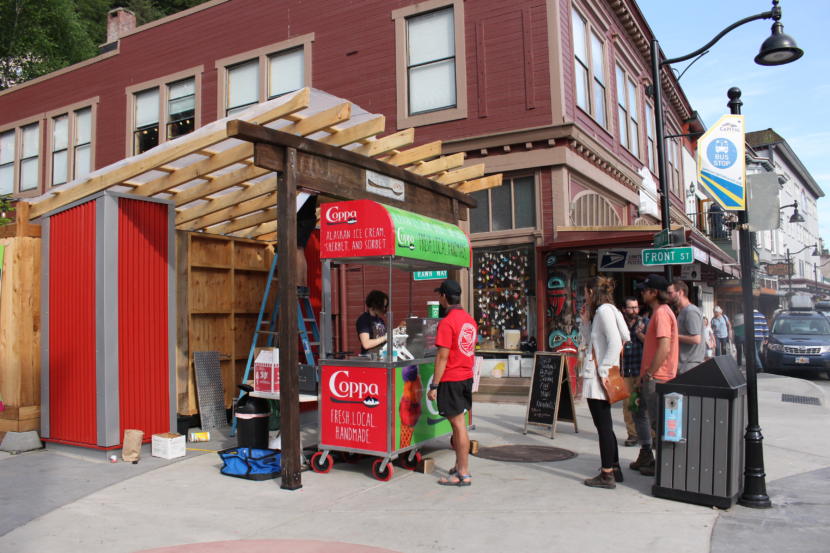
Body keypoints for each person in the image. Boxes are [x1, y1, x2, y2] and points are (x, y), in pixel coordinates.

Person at [580, 276, 630, 489]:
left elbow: (616, 340)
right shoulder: (612, 310)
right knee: (605, 425)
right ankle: (614, 467)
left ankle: (606, 473)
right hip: (604, 374)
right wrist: (585, 324)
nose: (584, 296)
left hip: (599, 377)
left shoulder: (602, 312)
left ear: (591, 292)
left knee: (603, 426)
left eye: (585, 292)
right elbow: (625, 335)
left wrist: (604, 368)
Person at [426, 279, 477, 486]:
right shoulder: (469, 320)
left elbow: (442, 357)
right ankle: (459, 465)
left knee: (458, 426)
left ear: (444, 297)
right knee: (459, 425)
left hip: (452, 378)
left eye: (440, 295)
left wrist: (434, 385)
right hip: (466, 377)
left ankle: (463, 473)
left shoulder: (447, 322)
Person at [630, 274, 678, 477]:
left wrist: (650, 373)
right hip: (651, 375)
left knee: (658, 422)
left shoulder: (661, 314)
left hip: (658, 377)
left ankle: (662, 465)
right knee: (638, 412)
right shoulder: (660, 313)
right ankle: (647, 454)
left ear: (654, 292)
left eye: (645, 290)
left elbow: (664, 347)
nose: (642, 293)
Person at [621, 296, 647, 447]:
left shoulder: (644, 322)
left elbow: (650, 342)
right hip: (626, 369)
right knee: (629, 404)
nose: (634, 310)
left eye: (636, 307)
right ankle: (632, 434)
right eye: (631, 307)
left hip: (641, 368)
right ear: (624, 309)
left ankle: (650, 434)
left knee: (643, 402)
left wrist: (639, 334)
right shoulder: (621, 324)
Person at [668, 279, 704, 374]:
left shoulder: (690, 311)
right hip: (684, 365)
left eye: (670, 293)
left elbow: (696, 339)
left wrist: (673, 335)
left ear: (680, 292)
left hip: (689, 366)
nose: (668, 296)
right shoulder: (683, 311)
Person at [356, 290, 389, 355]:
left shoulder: (380, 320)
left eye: (385, 306)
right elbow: (366, 344)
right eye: (383, 306)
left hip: (382, 357)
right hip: (370, 359)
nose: (384, 309)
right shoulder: (364, 319)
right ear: (375, 304)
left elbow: (384, 339)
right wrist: (385, 337)